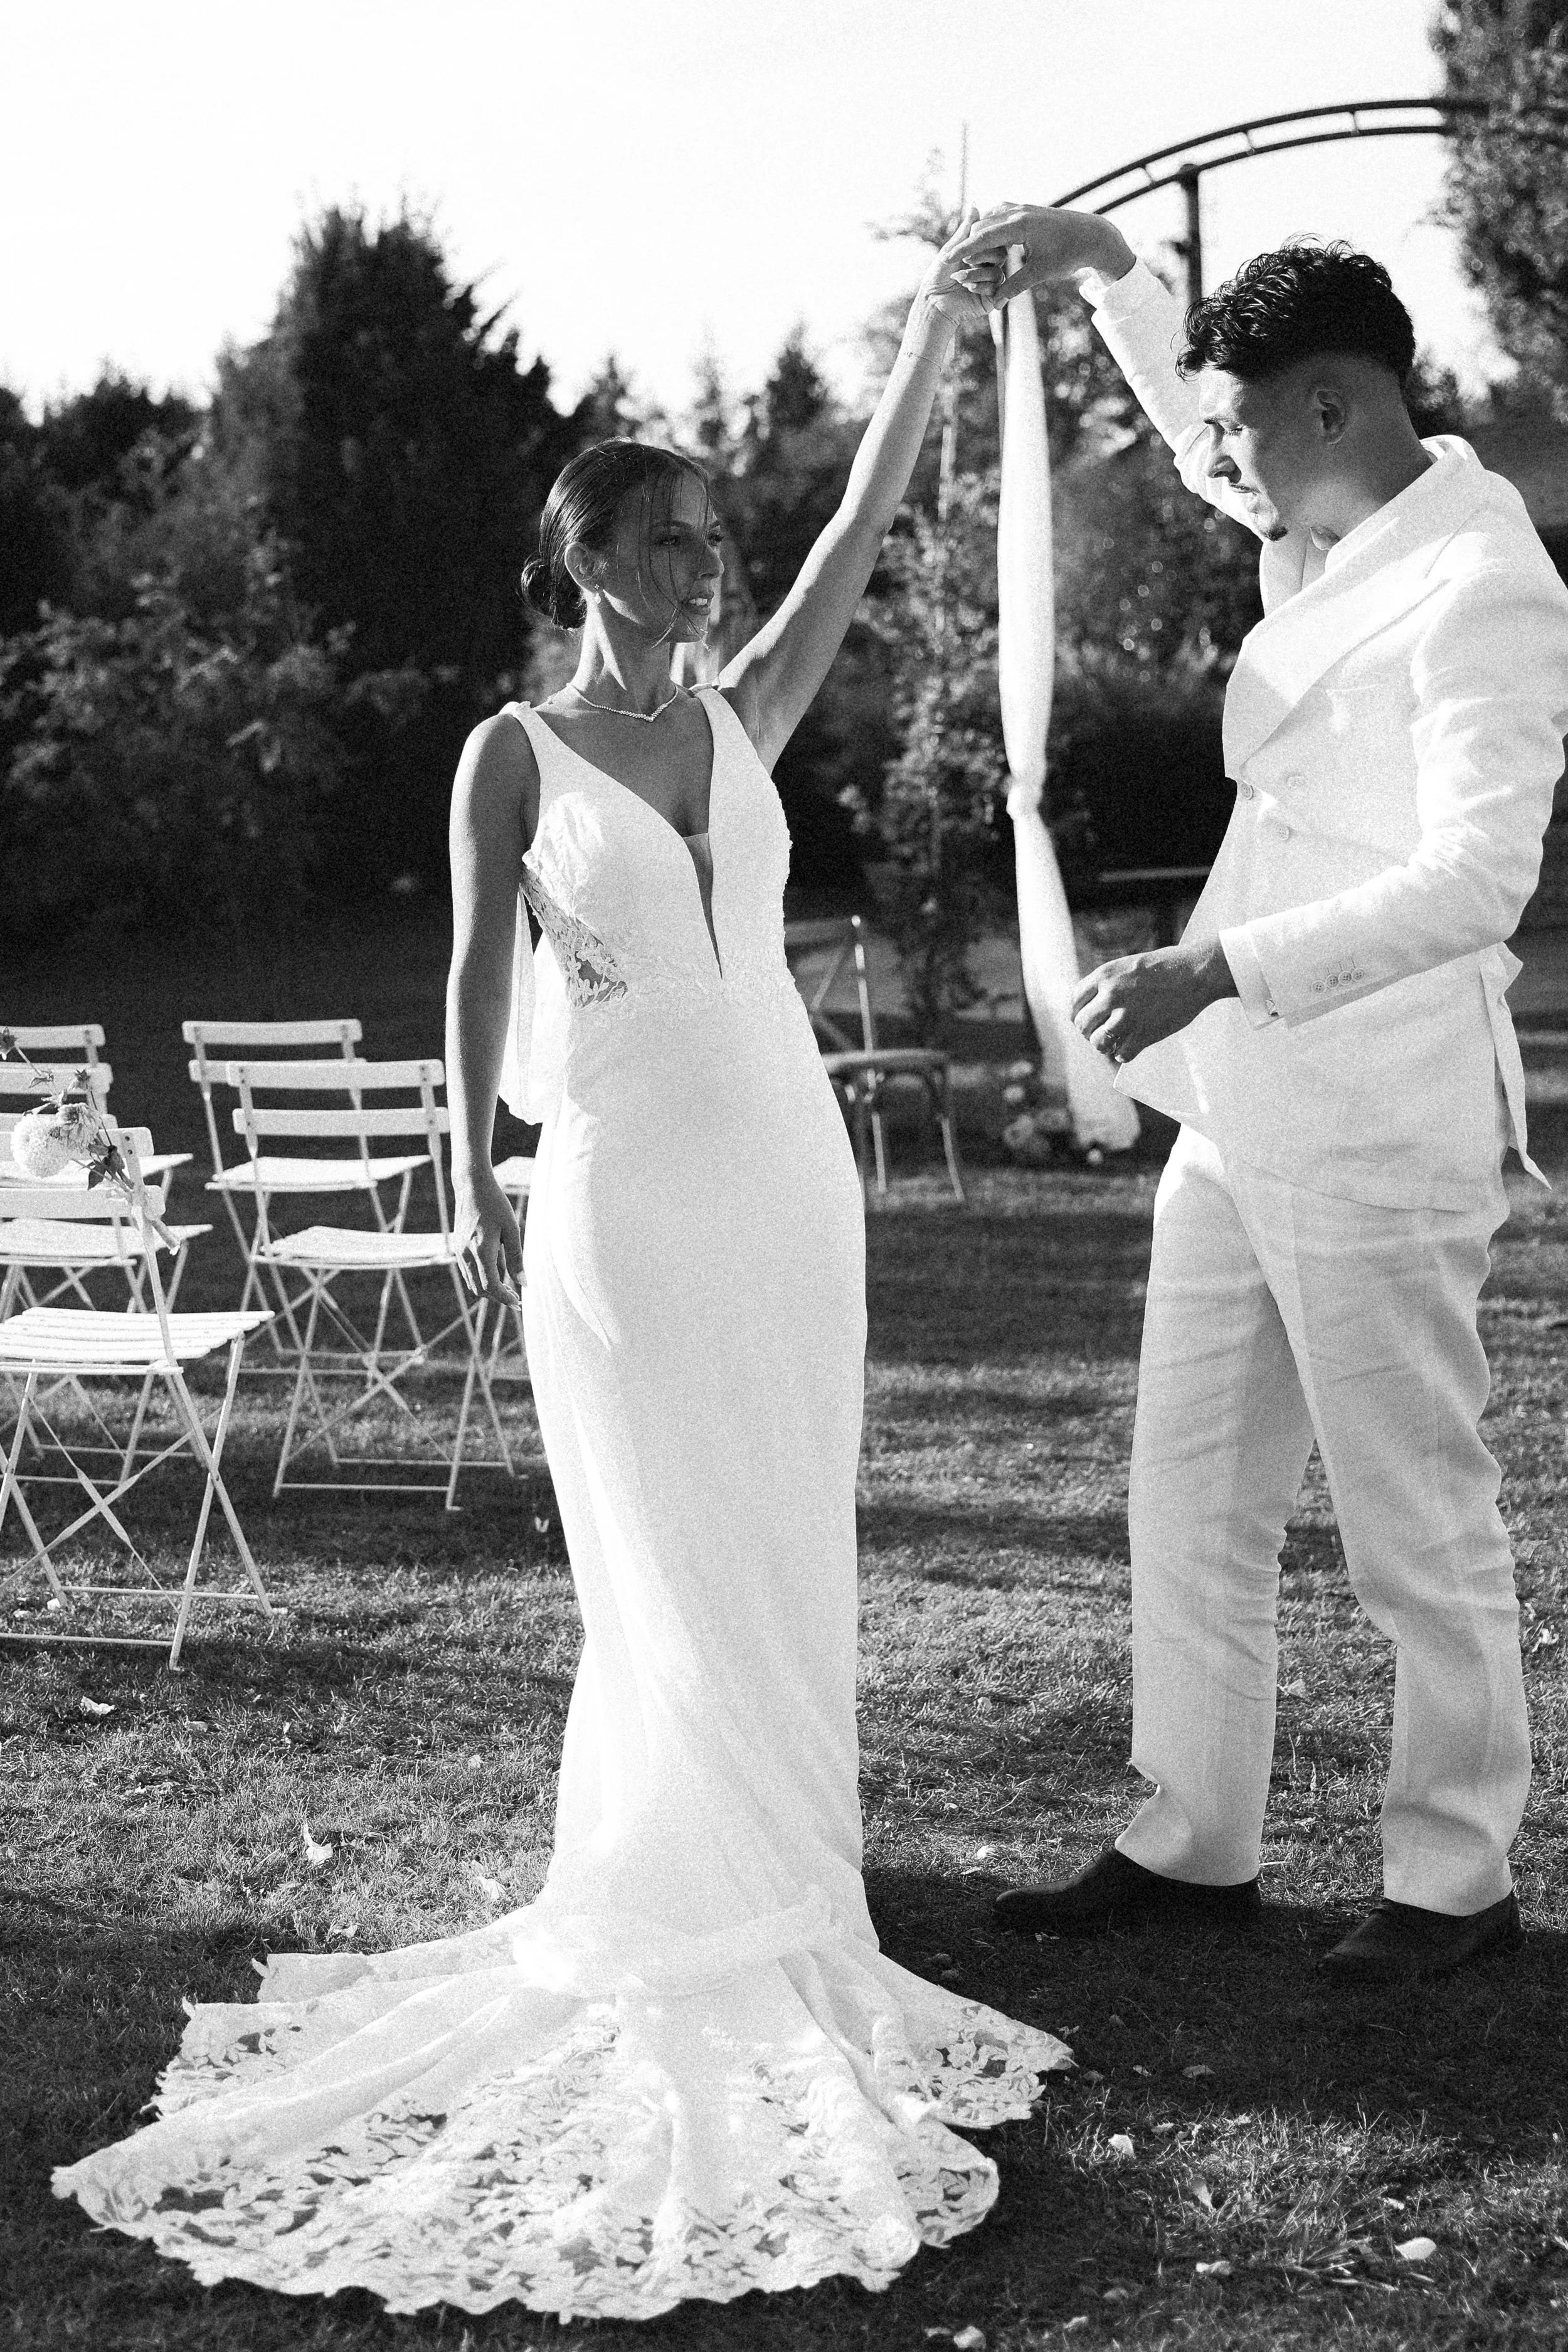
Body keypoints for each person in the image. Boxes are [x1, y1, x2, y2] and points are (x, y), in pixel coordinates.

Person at [53, 219, 1068, 2323]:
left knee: (782, 1526)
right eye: (671, 541)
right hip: (613, 1183)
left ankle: (801, 1871)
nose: (708, 570)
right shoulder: (509, 756)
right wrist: (480, 1179)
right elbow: (460, 987)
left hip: (791, 1175)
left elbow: (869, 527)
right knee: (656, 1545)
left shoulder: (754, 705)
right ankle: (682, 1882)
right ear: (582, 557)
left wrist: (929, 336)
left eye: (716, 541)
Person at [950, 208, 1568, 1981]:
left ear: (1322, 409)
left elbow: (1476, 884)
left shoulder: (1482, 580)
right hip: (1240, 1117)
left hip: (1378, 1112)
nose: (1208, 458)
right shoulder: (1317, 523)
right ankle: (1192, 1834)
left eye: (1236, 429)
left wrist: (1217, 963)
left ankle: (1453, 1877)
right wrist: (1095, 265)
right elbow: (1184, 404)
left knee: (1410, 1514)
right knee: (1189, 1491)